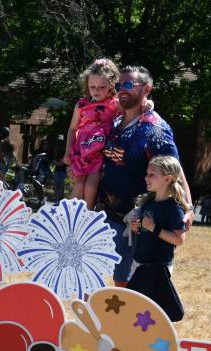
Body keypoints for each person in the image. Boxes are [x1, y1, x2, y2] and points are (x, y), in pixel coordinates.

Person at [99, 65, 192, 287]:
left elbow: (174, 170)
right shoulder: (113, 124)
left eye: (129, 85)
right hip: (106, 216)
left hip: (136, 222)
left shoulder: (155, 130)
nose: (122, 89)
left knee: (127, 288)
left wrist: (188, 207)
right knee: (94, 278)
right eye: (120, 85)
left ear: (146, 89)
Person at [64, 59, 122, 209]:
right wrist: (67, 153)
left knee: (90, 187)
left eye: (101, 87)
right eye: (92, 87)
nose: (96, 91)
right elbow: (72, 129)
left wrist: (148, 104)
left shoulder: (115, 104)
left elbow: (135, 108)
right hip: (82, 151)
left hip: (100, 152)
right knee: (78, 185)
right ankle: (71, 218)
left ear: (111, 85)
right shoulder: (81, 105)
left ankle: (87, 218)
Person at [129, 156, 190, 275]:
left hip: (159, 268)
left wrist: (154, 228)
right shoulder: (147, 202)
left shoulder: (173, 208)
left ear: (167, 179)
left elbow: (179, 240)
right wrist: (137, 227)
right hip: (138, 263)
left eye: (152, 174)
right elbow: (144, 230)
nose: (146, 177)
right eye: (147, 174)